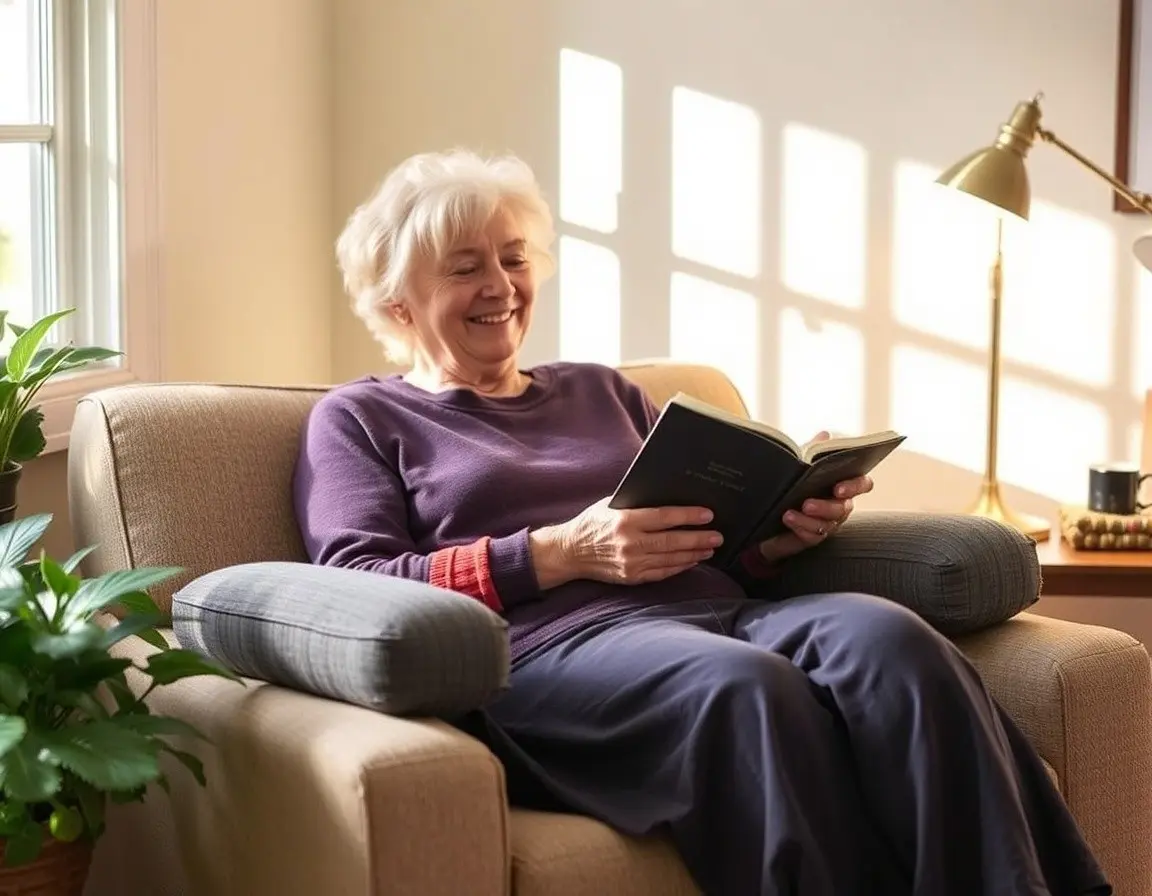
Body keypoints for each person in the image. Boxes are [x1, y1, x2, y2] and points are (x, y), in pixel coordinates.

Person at [293, 147, 1111, 896]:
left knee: (892, 644)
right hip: (546, 654)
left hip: (720, 611)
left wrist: (784, 530)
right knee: (748, 688)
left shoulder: (599, 389)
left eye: (514, 259)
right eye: (466, 267)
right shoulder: (360, 418)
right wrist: (557, 552)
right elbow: (356, 586)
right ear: (398, 302)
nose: (502, 286)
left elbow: (701, 531)